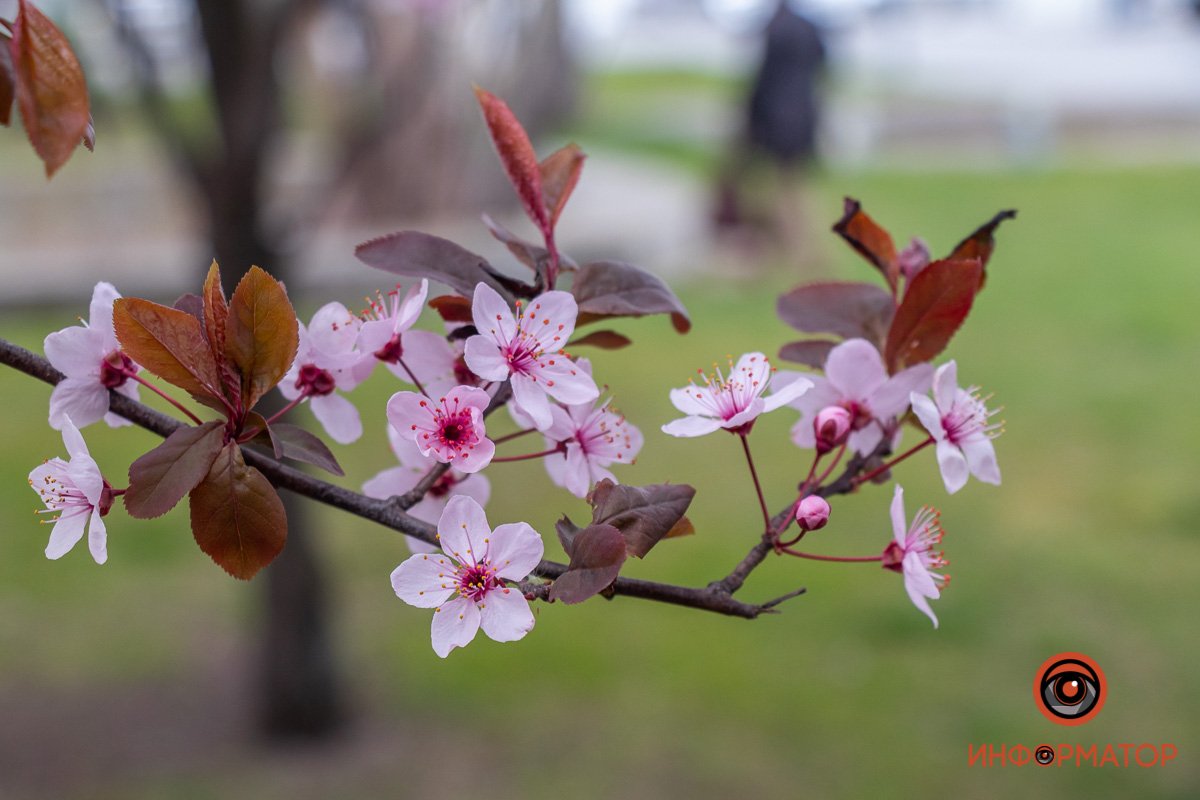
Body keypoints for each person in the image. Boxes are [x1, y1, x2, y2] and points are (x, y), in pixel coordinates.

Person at [714, 1, 827, 264]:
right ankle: (794, 249)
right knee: (791, 185)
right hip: (804, 116)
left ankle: (801, 251)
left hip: (777, 121)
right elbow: (822, 68)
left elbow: (764, 80)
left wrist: (749, 122)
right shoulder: (810, 28)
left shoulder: (775, 28)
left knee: (783, 188)